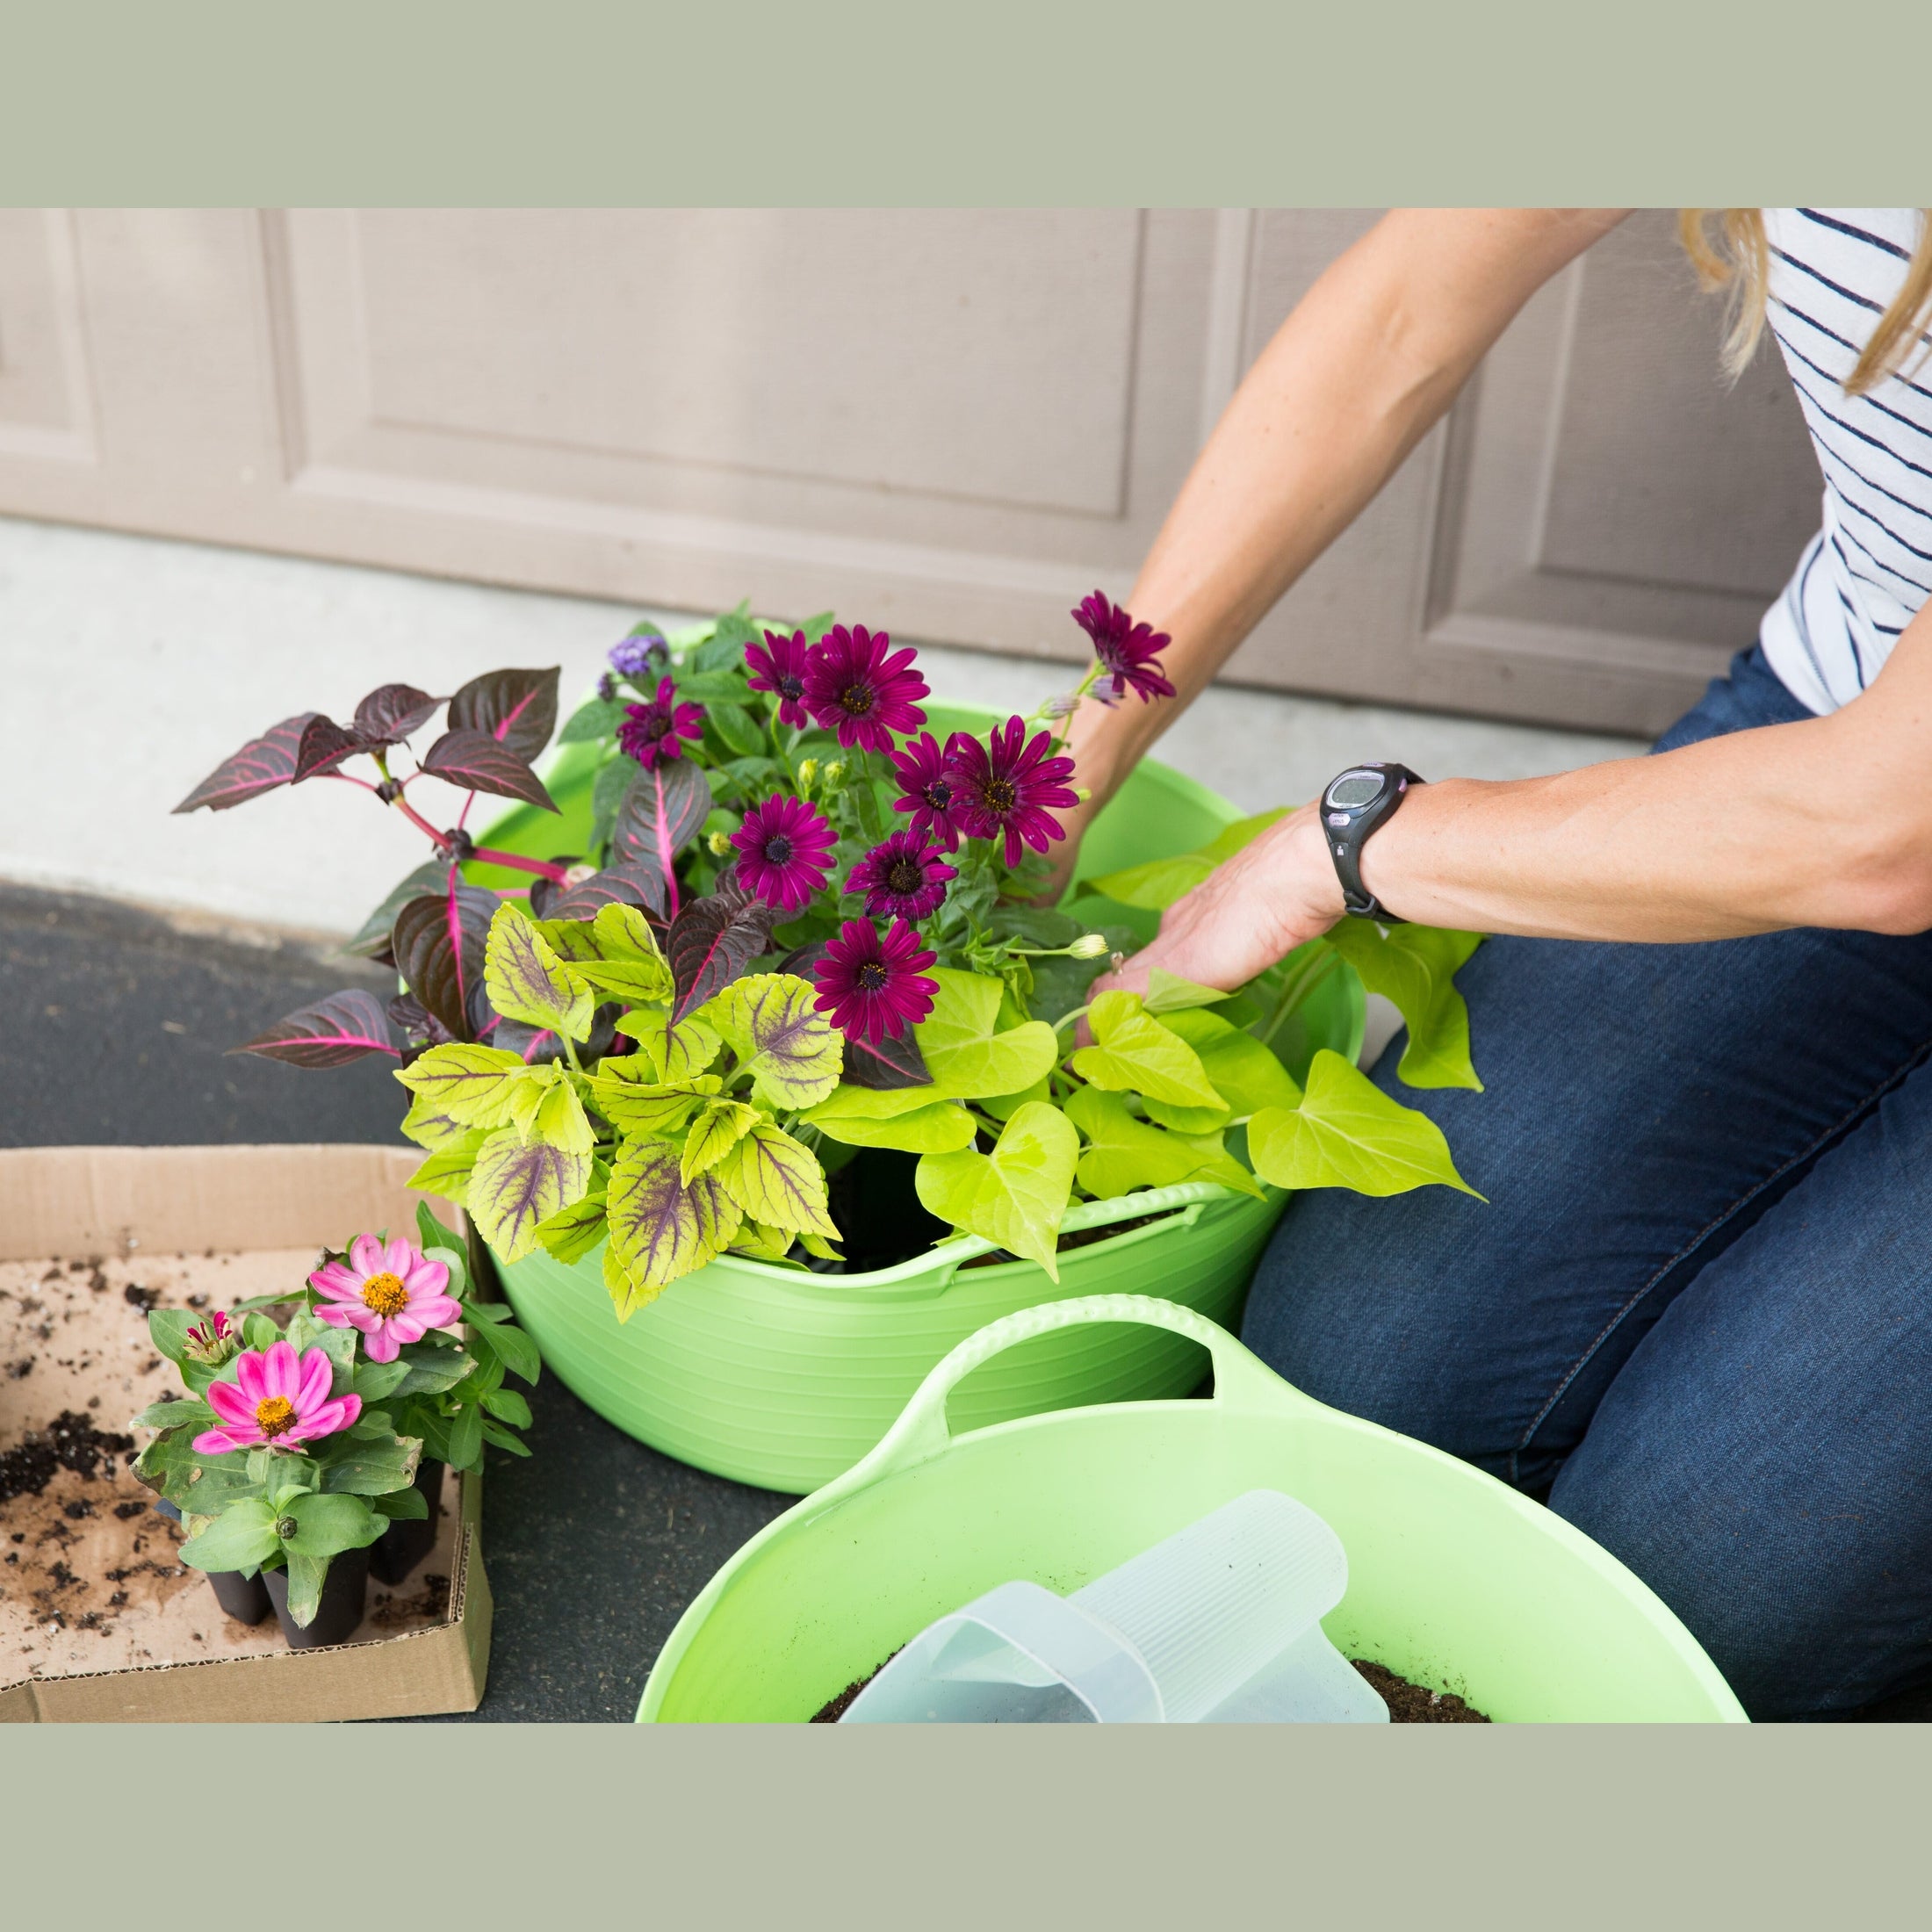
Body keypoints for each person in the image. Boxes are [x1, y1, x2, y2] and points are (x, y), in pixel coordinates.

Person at [1063, 209, 1932, 1721]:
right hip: (1842, 727)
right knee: (1356, 1384)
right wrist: (1063, 760)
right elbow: (1406, 307)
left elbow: (1882, 831)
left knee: (1682, 1598)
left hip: (1872, 807)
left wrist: (1351, 848)